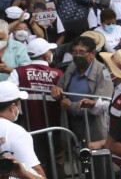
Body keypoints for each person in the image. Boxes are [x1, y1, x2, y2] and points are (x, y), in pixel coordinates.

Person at [8, 39, 63, 179]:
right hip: (57, 126)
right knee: (57, 161)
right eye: (49, 51)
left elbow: (8, 92)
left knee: (38, 162)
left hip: (30, 126)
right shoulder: (57, 73)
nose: (50, 53)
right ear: (45, 54)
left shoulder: (19, 72)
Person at [78, 49, 121, 161]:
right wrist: (96, 105)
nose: (105, 69)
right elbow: (117, 108)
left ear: (116, 72)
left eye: (108, 67)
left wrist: (104, 142)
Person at [50, 36, 114, 144]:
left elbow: (100, 104)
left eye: (82, 52)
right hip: (71, 124)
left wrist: (71, 106)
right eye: (74, 52)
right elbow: (61, 85)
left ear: (92, 54)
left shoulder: (103, 71)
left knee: (96, 159)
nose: (77, 55)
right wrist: (56, 89)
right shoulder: (72, 66)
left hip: (93, 127)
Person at [0, 82, 45, 179]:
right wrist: (24, 173)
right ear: (12, 107)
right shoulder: (15, 132)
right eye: (18, 105)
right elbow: (37, 171)